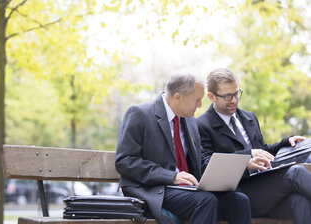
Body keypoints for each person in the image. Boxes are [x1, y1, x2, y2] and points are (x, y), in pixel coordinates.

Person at [115, 73, 251, 224]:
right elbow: (125, 161)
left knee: (239, 201)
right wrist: (171, 177)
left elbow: (198, 161)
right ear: (178, 97)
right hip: (153, 188)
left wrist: (219, 175)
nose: (200, 105)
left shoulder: (190, 120)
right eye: (197, 100)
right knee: (205, 201)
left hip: (187, 189)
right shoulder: (140, 114)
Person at [197, 68, 311, 224]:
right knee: (295, 172)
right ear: (211, 97)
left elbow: (262, 150)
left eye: (236, 93)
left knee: (299, 202)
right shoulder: (202, 126)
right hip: (241, 194)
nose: (234, 100)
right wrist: (246, 159)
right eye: (228, 96)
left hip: (268, 187)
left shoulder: (249, 117)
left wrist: (287, 142)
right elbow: (206, 164)